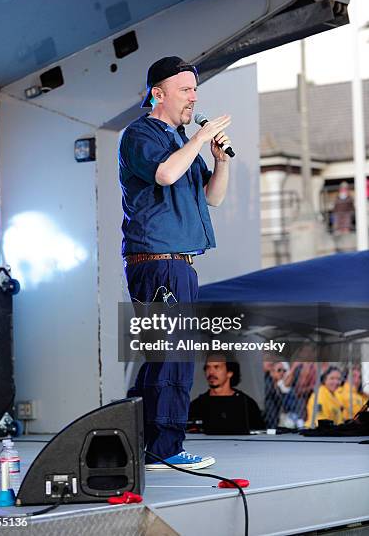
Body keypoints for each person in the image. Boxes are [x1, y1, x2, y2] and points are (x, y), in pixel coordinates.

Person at [119, 56, 232, 470]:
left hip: (179, 263)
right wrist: (199, 140)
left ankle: (151, 444)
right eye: (185, 90)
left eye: (195, 90)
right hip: (158, 261)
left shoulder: (182, 142)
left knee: (169, 355)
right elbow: (165, 175)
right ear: (158, 93)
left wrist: (220, 159)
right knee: (171, 355)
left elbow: (213, 197)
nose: (193, 98)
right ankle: (163, 448)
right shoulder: (141, 135)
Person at [189, 353, 265, 432]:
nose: (211, 372)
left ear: (230, 372)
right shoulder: (197, 405)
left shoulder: (247, 404)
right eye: (208, 367)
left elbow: (260, 433)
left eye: (216, 367)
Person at [264, 362, 299, 429]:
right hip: (268, 425)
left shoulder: (277, 388)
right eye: (279, 370)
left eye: (284, 370)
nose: (282, 372)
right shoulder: (268, 388)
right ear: (272, 372)